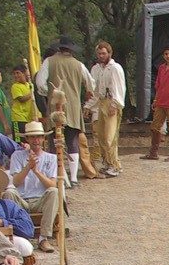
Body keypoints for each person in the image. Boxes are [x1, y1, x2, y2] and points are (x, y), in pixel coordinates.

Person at [36, 36, 96, 183]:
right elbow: (91, 84)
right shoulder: (78, 64)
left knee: (54, 141)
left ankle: (59, 176)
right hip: (73, 106)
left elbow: (40, 83)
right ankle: (73, 178)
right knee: (72, 141)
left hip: (55, 106)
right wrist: (87, 92)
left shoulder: (49, 61)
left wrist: (49, 93)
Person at [7, 121, 63, 253]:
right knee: (9, 193)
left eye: (38, 137)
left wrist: (36, 171)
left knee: (54, 192)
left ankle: (43, 238)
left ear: (43, 138)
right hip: (22, 200)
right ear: (27, 139)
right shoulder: (17, 156)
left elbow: (52, 184)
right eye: (32, 137)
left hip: (40, 200)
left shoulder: (51, 158)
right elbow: (16, 182)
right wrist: (28, 167)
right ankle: (16, 235)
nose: (36, 140)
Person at [89, 41, 127, 177]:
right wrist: (88, 105)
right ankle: (108, 163)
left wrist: (114, 105)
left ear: (109, 53)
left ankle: (114, 165)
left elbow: (119, 88)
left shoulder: (115, 68)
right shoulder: (97, 69)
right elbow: (95, 90)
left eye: (104, 53)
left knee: (110, 136)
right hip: (101, 101)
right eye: (99, 53)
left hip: (111, 101)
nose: (101, 56)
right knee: (101, 136)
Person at [8, 64, 38, 137]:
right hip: (18, 118)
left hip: (29, 118)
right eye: (14, 73)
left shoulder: (30, 85)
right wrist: (32, 94)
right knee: (18, 139)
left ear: (24, 73)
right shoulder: (15, 86)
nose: (16, 75)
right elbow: (21, 99)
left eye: (18, 73)